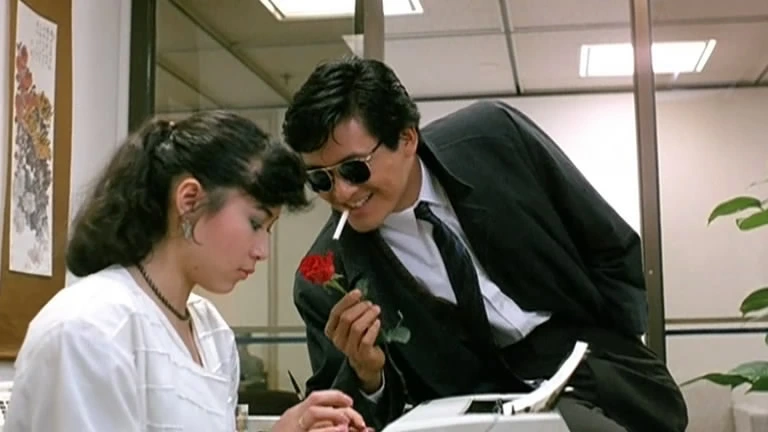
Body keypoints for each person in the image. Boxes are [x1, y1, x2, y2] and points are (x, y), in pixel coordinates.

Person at [282, 56, 688, 432]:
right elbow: (342, 413)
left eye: (354, 169)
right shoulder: (323, 277)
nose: (342, 192)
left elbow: (604, 238)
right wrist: (369, 375)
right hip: (472, 414)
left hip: (587, 364)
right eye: (320, 178)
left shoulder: (493, 138)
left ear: (406, 139)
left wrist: (617, 341)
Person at [4, 111, 370, 432]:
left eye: (269, 229)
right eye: (255, 223)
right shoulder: (90, 330)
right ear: (189, 200)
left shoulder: (212, 332)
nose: (262, 251)